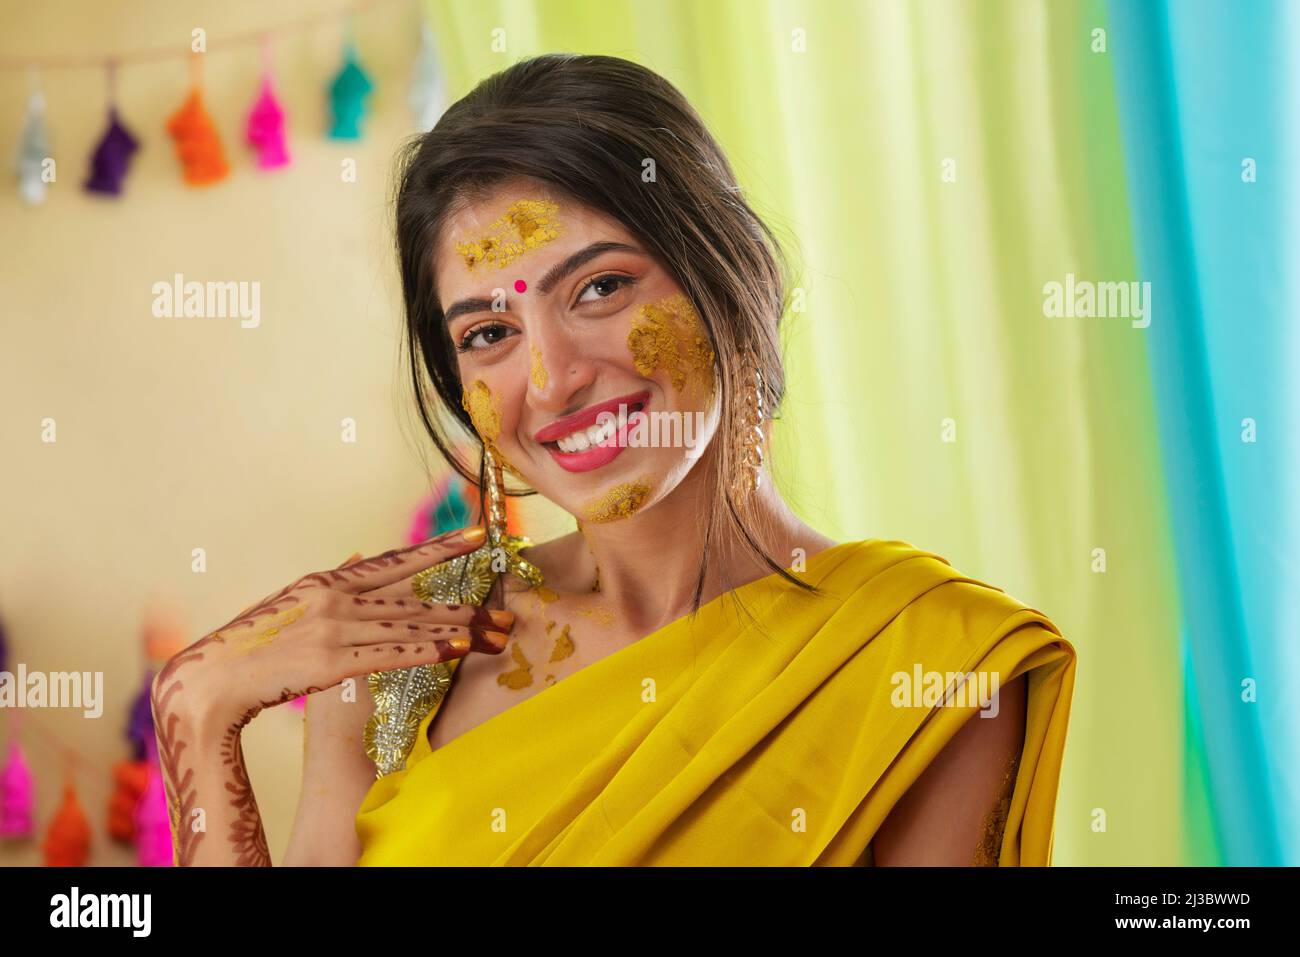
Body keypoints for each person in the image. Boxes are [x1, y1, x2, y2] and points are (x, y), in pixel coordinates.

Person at [151, 53, 1076, 867]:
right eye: (488, 333)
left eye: (600, 286)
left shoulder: (924, 664)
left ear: (729, 271)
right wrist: (200, 717)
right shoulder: (408, 649)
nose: (551, 380)